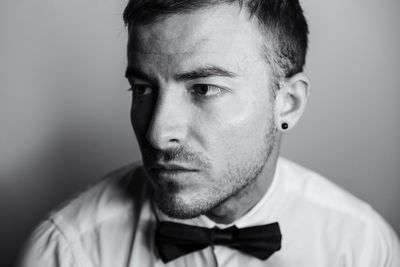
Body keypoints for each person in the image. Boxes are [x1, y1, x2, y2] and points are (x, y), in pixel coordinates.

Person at [18, 0, 400, 266]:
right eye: (142, 90)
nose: (157, 133)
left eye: (203, 88)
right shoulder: (65, 252)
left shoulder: (363, 248)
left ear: (289, 103)